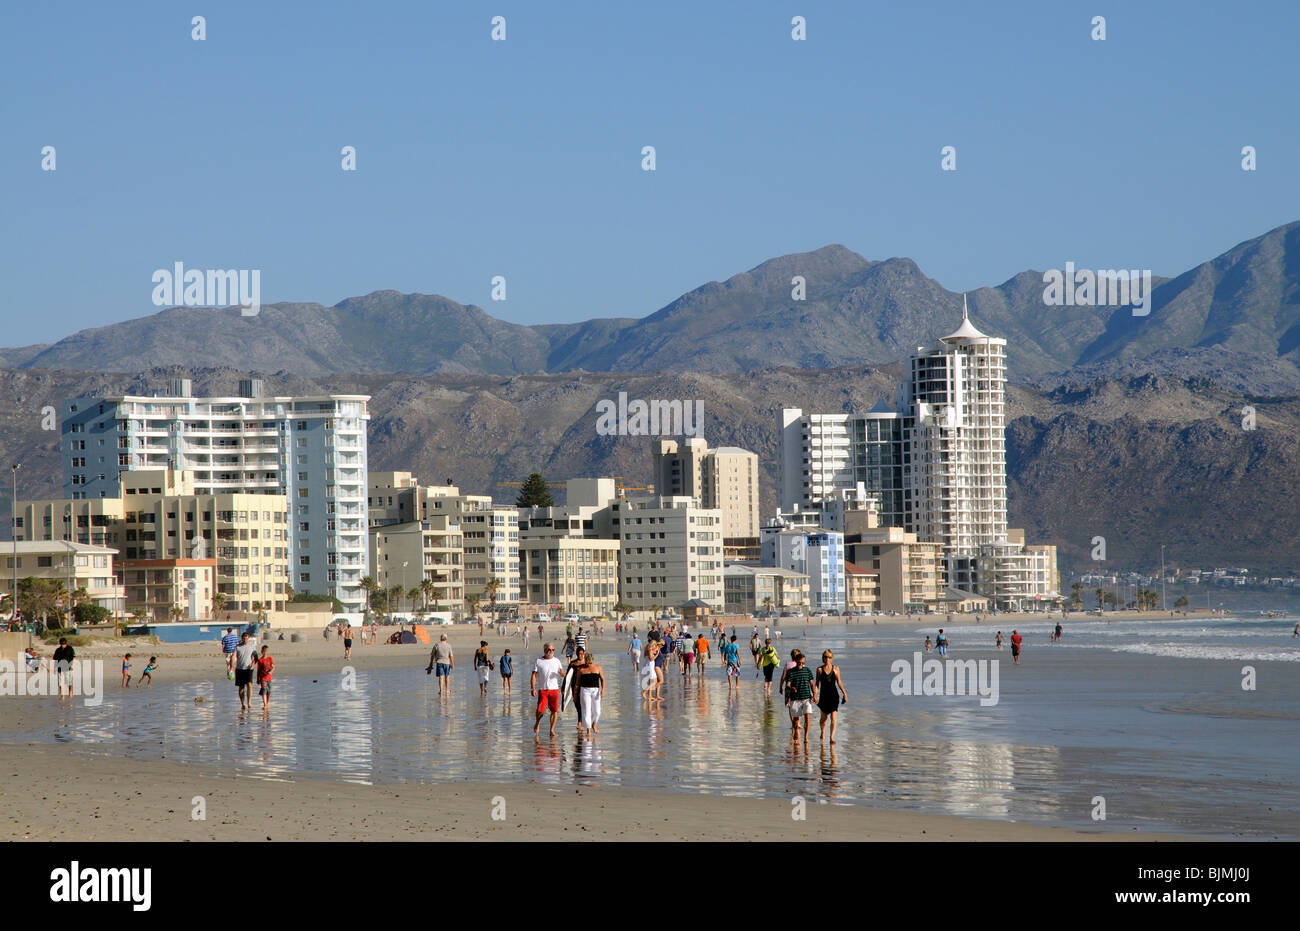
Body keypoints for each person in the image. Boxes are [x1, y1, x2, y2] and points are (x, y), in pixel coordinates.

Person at [531, 643, 564, 737]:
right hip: (543, 690)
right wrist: (532, 688)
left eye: (553, 650)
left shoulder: (557, 661)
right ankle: (537, 722)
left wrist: (563, 673)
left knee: (554, 711)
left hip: (554, 689)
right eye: (549, 649)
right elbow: (533, 675)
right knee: (540, 711)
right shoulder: (539, 661)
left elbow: (563, 674)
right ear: (545, 650)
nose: (551, 652)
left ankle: (552, 730)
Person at [815, 650, 847, 743]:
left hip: (834, 696)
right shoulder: (819, 670)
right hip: (824, 696)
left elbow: (839, 682)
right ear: (823, 658)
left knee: (833, 718)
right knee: (823, 719)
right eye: (825, 657)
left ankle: (831, 737)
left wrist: (844, 693)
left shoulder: (836, 668)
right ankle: (822, 732)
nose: (827, 659)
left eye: (829, 657)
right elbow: (817, 684)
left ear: (831, 658)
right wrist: (814, 694)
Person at [785, 651, 816, 743]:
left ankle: (806, 738)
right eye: (799, 663)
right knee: (796, 720)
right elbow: (787, 685)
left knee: (807, 717)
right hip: (795, 699)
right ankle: (795, 732)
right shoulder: (791, 672)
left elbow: (812, 684)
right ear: (796, 662)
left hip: (807, 698)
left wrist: (814, 695)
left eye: (803, 663)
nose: (801, 664)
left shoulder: (807, 670)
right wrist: (791, 688)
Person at [576, 651, 605, 737]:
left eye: (590, 661)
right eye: (587, 662)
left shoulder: (598, 668)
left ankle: (593, 723)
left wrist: (603, 690)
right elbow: (577, 684)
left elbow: (603, 679)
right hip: (585, 690)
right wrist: (575, 695)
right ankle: (588, 730)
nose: (589, 664)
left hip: (595, 690)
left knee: (597, 711)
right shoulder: (581, 670)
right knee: (586, 710)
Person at [234, 631, 258, 710]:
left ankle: (249, 702)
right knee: (241, 687)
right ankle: (243, 703)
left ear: (248, 638)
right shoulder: (238, 647)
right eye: (244, 638)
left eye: (246, 638)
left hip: (248, 669)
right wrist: (231, 666)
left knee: (249, 685)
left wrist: (253, 664)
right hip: (239, 669)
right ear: (242, 638)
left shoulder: (252, 646)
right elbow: (233, 657)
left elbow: (256, 657)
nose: (245, 640)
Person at [52, 637, 75, 702]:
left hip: (68, 667)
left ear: (66, 643)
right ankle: (62, 695)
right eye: (62, 644)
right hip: (59, 668)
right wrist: (54, 668)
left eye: (64, 644)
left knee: (69, 681)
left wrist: (72, 665)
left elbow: (73, 657)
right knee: (60, 683)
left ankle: (70, 691)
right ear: (60, 644)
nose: (63, 645)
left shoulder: (70, 649)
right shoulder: (58, 650)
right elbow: (55, 659)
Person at [256, 646, 273, 710]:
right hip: (262, 678)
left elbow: (273, 666)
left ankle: (267, 703)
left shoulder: (270, 659)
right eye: (264, 651)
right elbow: (258, 670)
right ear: (261, 652)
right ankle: (265, 704)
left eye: (266, 651)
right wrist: (258, 679)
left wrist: (271, 671)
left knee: (269, 691)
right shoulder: (260, 660)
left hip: (269, 678)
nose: (265, 653)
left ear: (267, 652)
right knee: (264, 690)